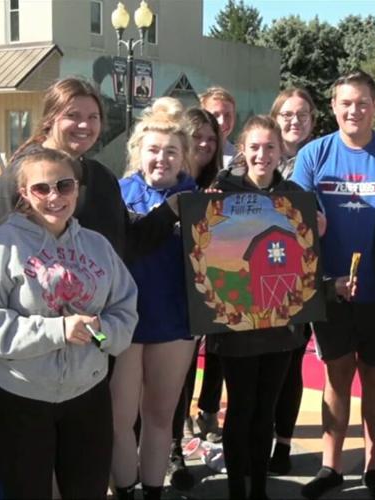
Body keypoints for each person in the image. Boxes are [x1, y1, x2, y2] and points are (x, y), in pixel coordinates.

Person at [0, 146, 138, 498]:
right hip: (19, 398)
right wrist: (56, 331)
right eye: (41, 188)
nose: (54, 196)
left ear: (77, 188)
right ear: (24, 195)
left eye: (64, 185)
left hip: (87, 394)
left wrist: (103, 335)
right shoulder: (1, 246)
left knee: (87, 491)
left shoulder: (97, 246)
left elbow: (125, 307)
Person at [292, 70, 375, 500]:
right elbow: (297, 220)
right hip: (331, 287)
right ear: (334, 106)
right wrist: (328, 280)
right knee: (336, 376)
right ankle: (331, 465)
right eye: (345, 102)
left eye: (362, 102)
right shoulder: (314, 154)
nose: (353, 110)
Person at [208, 115, 311, 499]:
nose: (262, 154)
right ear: (243, 149)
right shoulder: (221, 191)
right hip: (235, 323)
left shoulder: (296, 197)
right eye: (254, 146)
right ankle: (238, 489)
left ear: (281, 149)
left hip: (280, 323)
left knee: (265, 408)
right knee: (240, 408)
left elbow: (305, 257)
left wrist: (316, 229)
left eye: (270, 147)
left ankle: (258, 491)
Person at [0, 77, 178, 260]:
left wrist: (170, 210)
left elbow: (125, 241)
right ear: (50, 119)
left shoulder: (101, 178)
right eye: (73, 115)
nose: (84, 125)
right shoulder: (19, 177)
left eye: (93, 117)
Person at [112, 107, 198, 500]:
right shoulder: (118, 192)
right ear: (138, 152)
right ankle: (125, 488)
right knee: (120, 420)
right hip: (123, 323)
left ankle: (152, 490)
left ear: (185, 157)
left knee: (160, 417)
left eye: (171, 152)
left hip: (175, 322)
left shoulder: (199, 200)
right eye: (153, 150)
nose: (161, 158)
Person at [167, 107, 225, 490]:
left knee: (187, 378)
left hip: (209, 293)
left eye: (211, 138)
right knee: (170, 382)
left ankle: (177, 447)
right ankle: (170, 451)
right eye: (197, 136)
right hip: (170, 294)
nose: (204, 144)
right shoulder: (172, 181)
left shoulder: (221, 183)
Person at [266, 86, 318, 475]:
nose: (294, 121)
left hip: (300, 278)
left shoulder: (318, 159)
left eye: (302, 114)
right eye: (287, 114)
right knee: (259, 364)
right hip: (257, 277)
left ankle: (283, 442)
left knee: (291, 362)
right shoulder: (255, 154)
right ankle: (256, 438)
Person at [200, 86, 238, 167]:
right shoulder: (192, 154)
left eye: (228, 115)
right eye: (215, 115)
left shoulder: (240, 158)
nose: (222, 122)